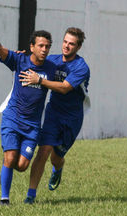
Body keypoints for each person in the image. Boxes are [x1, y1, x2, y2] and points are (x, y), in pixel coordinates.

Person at [0, 11, 55, 205]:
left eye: (47, 46)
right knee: (10, 158)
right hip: (12, 118)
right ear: (32, 47)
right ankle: (4, 199)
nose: (44, 49)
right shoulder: (20, 61)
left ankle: (16, 177)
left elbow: (66, 80)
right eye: (41, 46)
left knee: (21, 165)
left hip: (32, 125)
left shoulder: (52, 68)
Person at [19, 27, 90, 204]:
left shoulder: (81, 67)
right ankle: (31, 196)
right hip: (53, 113)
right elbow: (34, 60)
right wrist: (21, 55)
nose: (66, 46)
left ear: (78, 47)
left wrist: (40, 80)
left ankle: (58, 168)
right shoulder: (53, 60)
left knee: (56, 157)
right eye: (65, 42)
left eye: (71, 44)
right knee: (43, 151)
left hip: (72, 118)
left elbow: (65, 88)